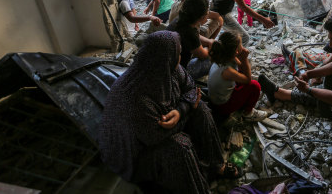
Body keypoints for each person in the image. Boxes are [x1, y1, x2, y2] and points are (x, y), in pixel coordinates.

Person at [98, 31, 239, 194]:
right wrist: (183, 113)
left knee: (200, 108)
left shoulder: (169, 68)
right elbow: (153, 136)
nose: (180, 57)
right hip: (135, 153)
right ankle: (197, 187)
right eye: (179, 53)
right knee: (180, 147)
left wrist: (181, 110)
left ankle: (215, 165)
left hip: (162, 129)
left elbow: (191, 88)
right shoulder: (133, 97)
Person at [207, 32, 268, 121]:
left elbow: (241, 68)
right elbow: (247, 79)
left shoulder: (222, 56)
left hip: (217, 97)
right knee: (255, 85)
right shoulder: (227, 71)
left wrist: (241, 59)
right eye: (241, 45)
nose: (243, 47)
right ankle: (248, 113)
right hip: (222, 106)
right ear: (236, 51)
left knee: (241, 74)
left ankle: (242, 101)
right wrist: (244, 59)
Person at [167, 0, 214, 80]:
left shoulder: (181, 20)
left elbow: (196, 37)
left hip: (169, 64)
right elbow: (203, 55)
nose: (208, 13)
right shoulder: (189, 32)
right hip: (179, 72)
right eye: (207, 11)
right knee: (216, 57)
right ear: (202, 16)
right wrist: (211, 47)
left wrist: (208, 41)